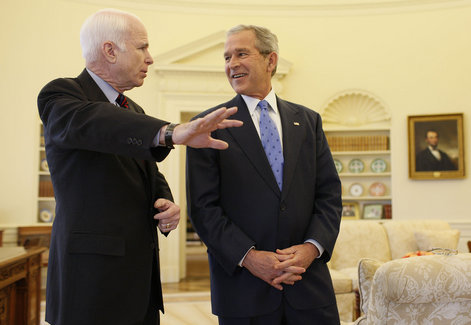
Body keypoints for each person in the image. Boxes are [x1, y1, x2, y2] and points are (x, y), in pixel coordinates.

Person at [37, 9, 242, 325]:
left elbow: (147, 171)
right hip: (91, 283)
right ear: (110, 50)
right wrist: (171, 131)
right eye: (142, 47)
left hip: (140, 281)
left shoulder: (134, 109)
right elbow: (96, 123)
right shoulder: (62, 95)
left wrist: (163, 199)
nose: (150, 58)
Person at [186, 25, 342, 324]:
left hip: (308, 287)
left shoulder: (308, 121)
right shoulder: (208, 125)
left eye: (241, 53)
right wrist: (249, 257)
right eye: (227, 57)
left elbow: (329, 196)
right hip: (244, 292)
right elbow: (203, 209)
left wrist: (312, 248)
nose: (232, 64)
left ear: (271, 61)